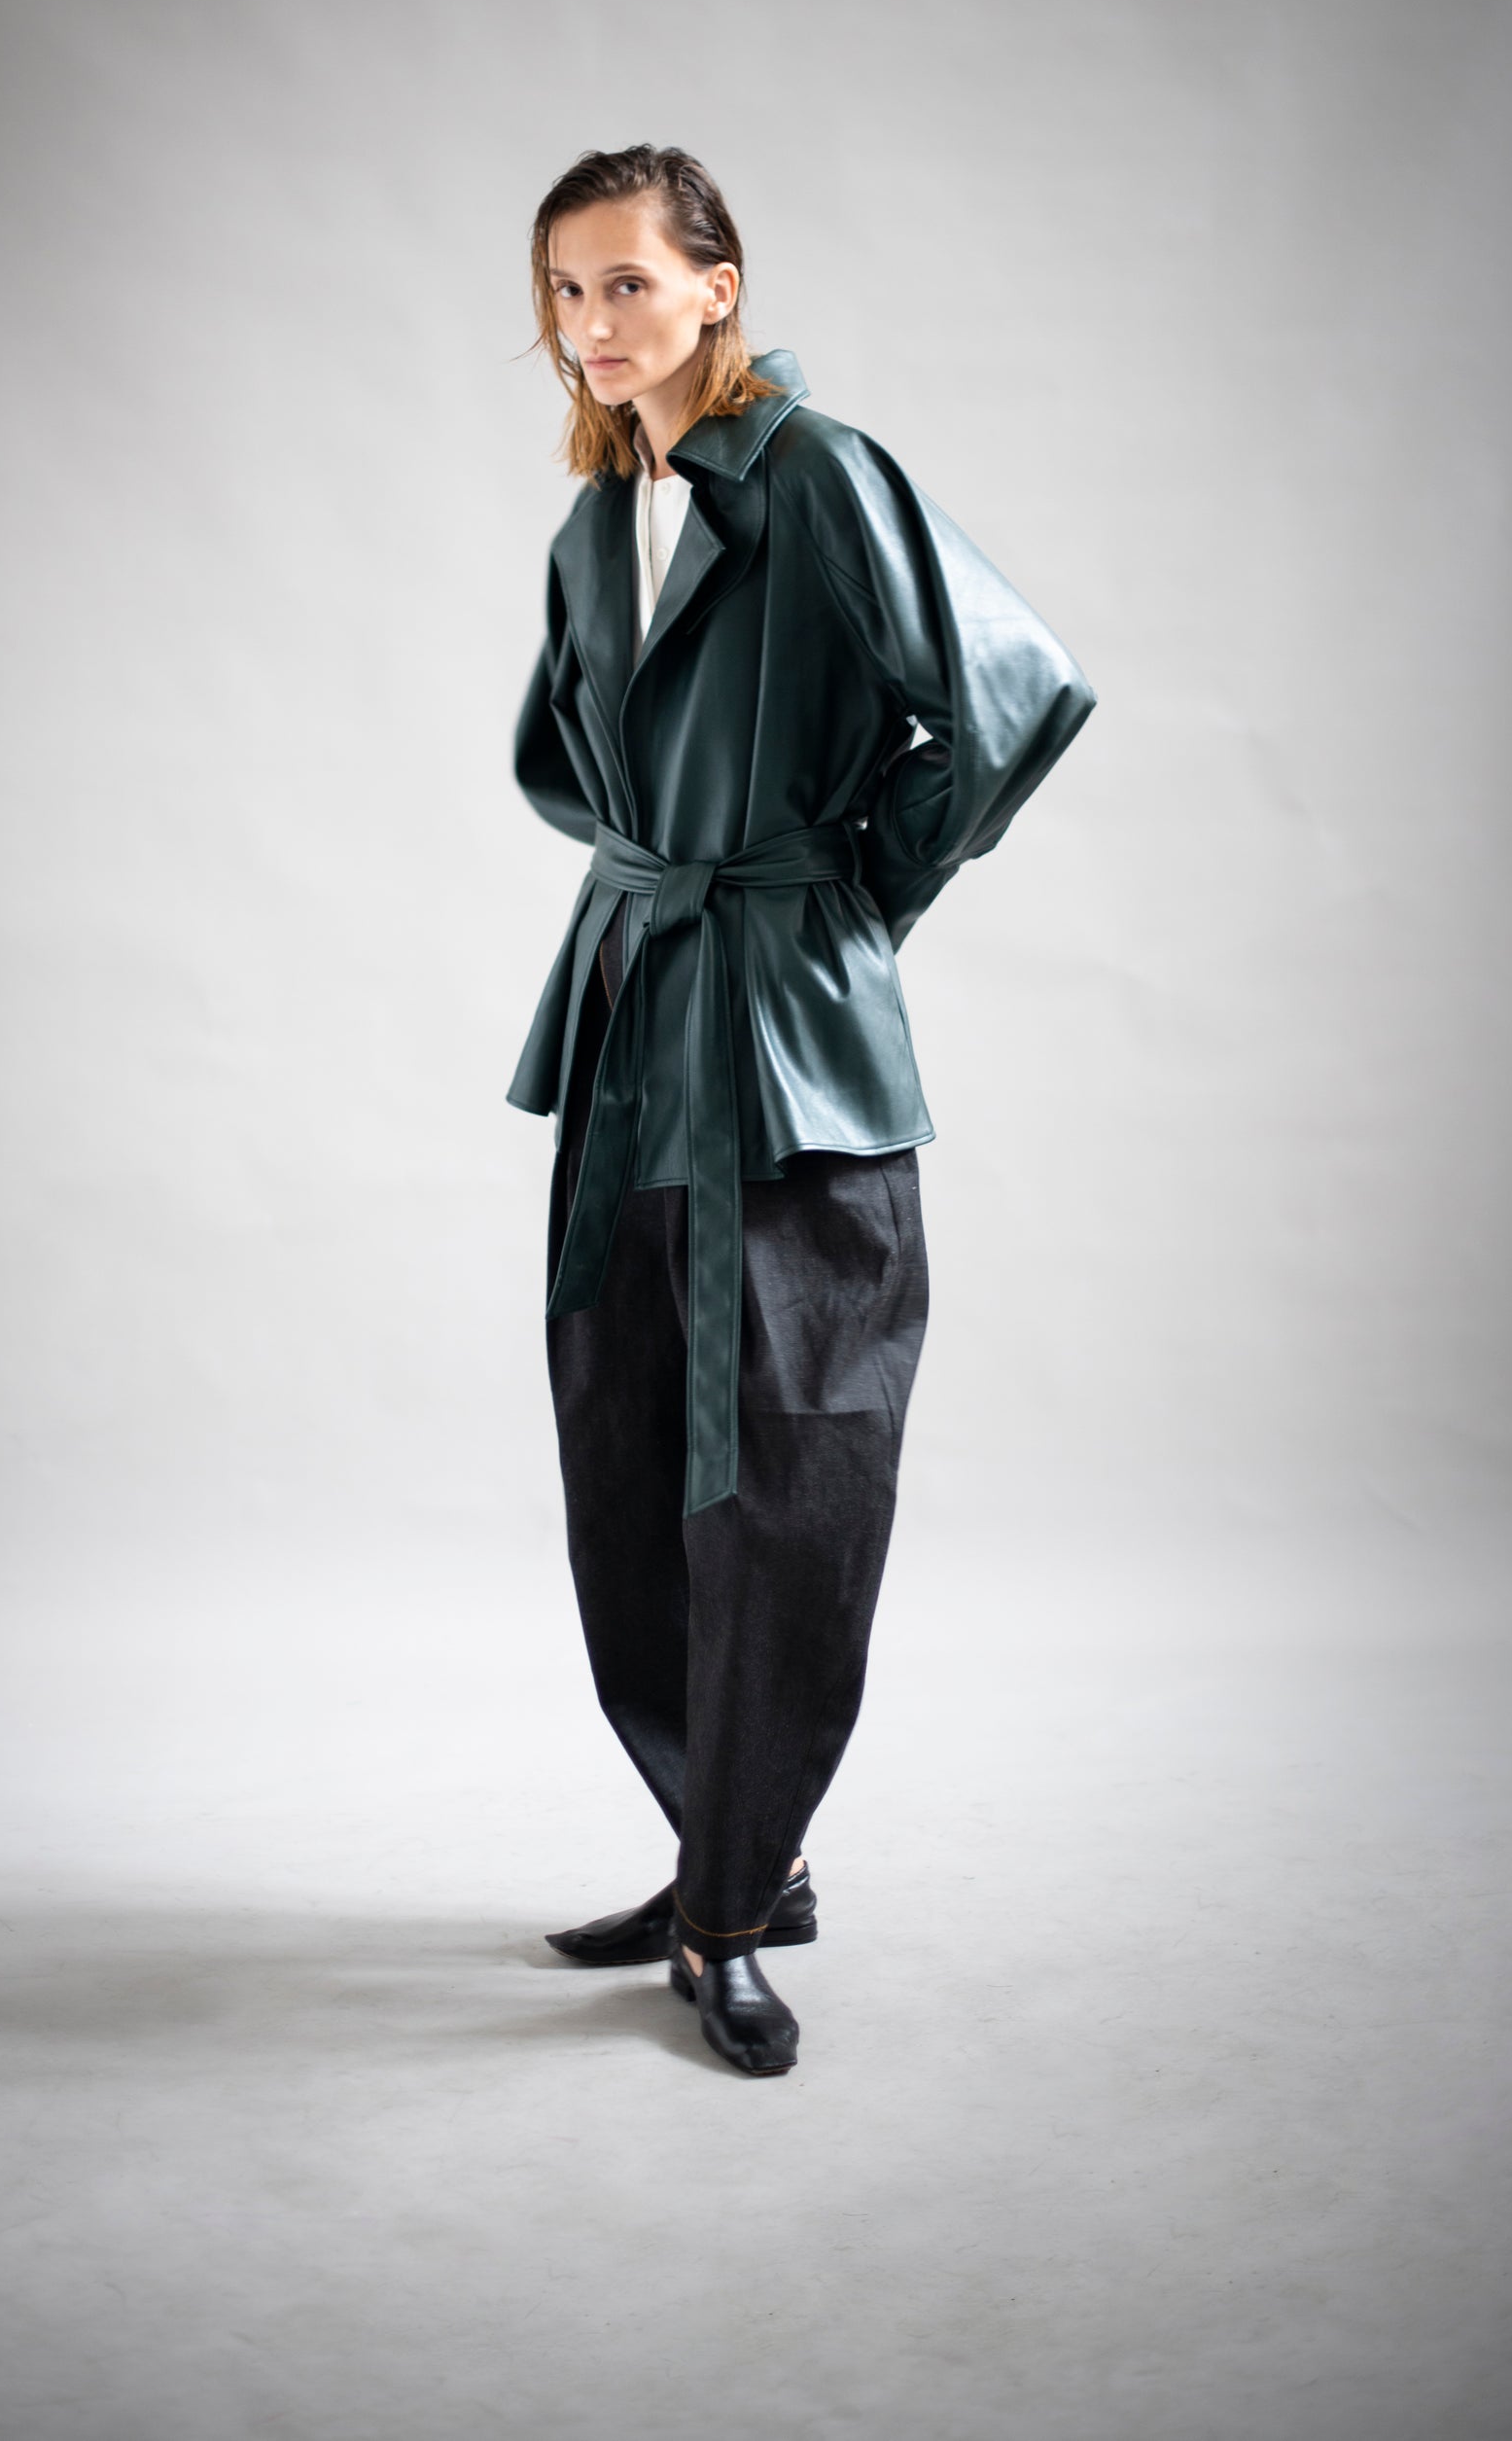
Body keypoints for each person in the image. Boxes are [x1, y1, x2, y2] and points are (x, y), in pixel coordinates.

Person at [507, 143, 1095, 2076]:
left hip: (780, 1035)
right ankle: (728, 1849)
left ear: (719, 282)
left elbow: (1013, 691)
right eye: (565, 289)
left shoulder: (818, 472)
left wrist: (843, 899)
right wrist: (683, 893)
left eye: (628, 281)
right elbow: (566, 760)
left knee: (787, 1458)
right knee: (623, 1444)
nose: (594, 323)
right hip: (633, 1010)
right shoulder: (602, 514)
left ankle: (731, 1904)